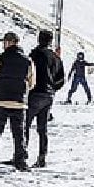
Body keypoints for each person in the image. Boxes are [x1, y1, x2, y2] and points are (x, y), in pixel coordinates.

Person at [0, 32, 35, 172]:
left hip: (0, 101)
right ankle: (20, 161)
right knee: (18, 134)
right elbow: (32, 82)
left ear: (9, 43)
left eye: (4, 42)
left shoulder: (0, 58)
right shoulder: (28, 61)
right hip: (19, 102)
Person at [24, 31, 66, 168]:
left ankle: (21, 155)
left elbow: (28, 73)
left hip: (34, 93)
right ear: (50, 41)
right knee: (42, 129)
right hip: (49, 95)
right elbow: (61, 79)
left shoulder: (34, 55)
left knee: (25, 125)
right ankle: (42, 157)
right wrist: (53, 89)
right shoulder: (56, 57)